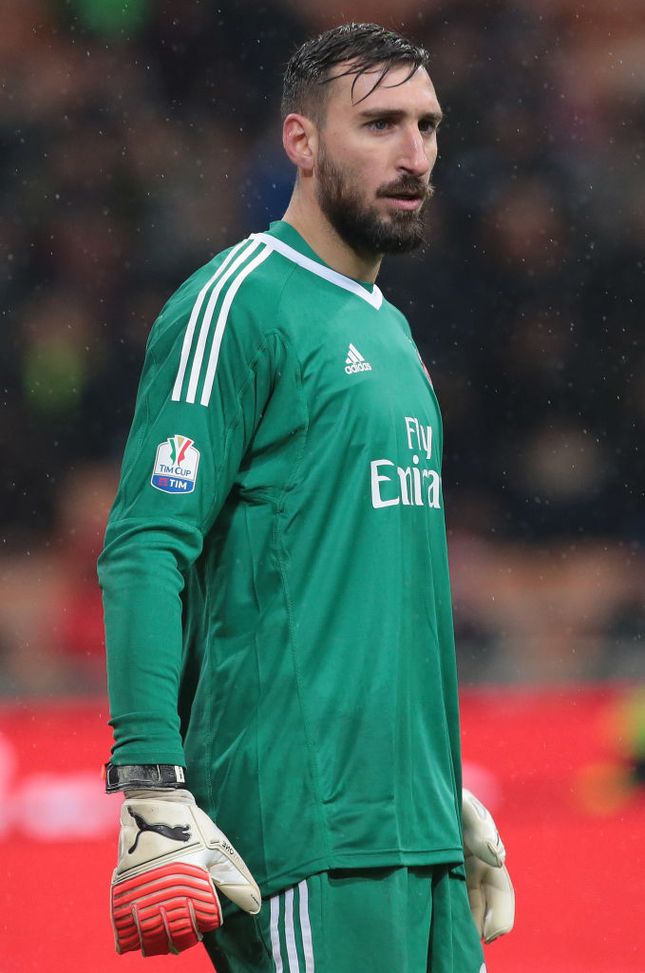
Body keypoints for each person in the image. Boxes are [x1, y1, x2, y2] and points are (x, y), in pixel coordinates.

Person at [99, 22, 515, 972]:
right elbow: (146, 546)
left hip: (415, 836)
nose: (415, 154)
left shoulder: (397, 338)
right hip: (305, 833)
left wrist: (437, 787)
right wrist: (153, 781)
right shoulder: (236, 302)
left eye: (428, 125)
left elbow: (366, 588)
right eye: (379, 125)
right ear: (301, 140)